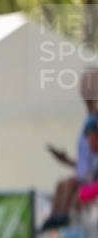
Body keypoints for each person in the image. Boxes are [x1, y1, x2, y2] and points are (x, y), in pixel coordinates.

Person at [44, 70, 98, 228]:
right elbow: (87, 162)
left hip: (92, 180)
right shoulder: (89, 120)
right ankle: (55, 220)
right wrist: (66, 160)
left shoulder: (93, 121)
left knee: (69, 184)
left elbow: (93, 154)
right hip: (88, 176)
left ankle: (63, 217)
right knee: (61, 185)